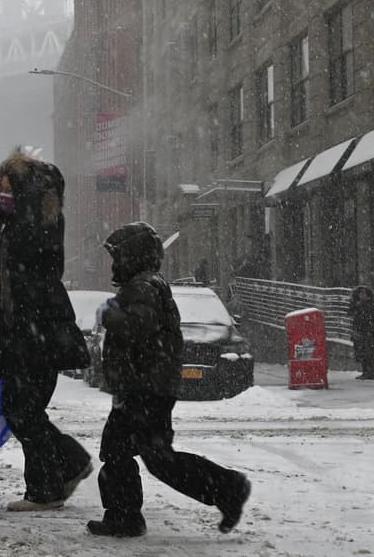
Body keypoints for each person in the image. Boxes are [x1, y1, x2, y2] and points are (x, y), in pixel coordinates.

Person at [89, 222, 252, 538]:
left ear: (133, 256)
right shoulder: (147, 285)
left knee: (128, 452)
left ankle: (128, 516)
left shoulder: (143, 288)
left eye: (118, 256)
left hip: (143, 390)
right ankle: (224, 489)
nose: (114, 263)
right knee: (148, 456)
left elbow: (138, 328)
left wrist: (110, 314)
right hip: (147, 388)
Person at [0, 149, 93, 511]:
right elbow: (19, 281)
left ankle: (64, 470)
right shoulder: (29, 223)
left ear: (25, 189)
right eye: (0, 188)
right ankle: (48, 486)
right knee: (26, 410)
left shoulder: (28, 226)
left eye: (8, 186)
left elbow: (31, 279)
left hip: (33, 330)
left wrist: (9, 315)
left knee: (21, 409)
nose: (2, 193)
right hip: (35, 327)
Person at [348, 285, 374, 380]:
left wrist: (362, 305)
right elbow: (350, 313)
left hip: (368, 331)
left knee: (369, 352)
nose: (362, 295)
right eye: (360, 294)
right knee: (361, 352)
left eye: (363, 294)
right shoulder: (356, 304)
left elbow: (369, 313)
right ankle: (365, 371)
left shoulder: (370, 304)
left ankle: (370, 372)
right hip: (359, 330)